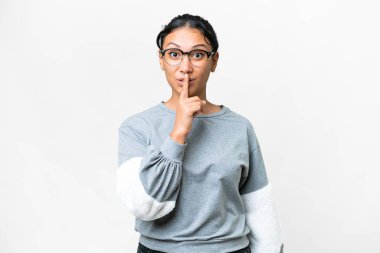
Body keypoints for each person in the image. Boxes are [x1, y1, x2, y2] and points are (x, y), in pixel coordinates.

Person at [116, 13, 284, 253]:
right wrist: (179, 133)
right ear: (161, 60)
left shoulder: (240, 128)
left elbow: (260, 210)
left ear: (213, 61)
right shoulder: (136, 128)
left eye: (197, 54)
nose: (185, 67)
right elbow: (145, 207)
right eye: (174, 54)